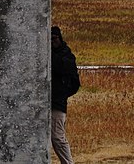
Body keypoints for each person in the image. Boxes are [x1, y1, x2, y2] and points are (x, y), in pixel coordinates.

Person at [51, 26, 79, 164]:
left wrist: (61, 95)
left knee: (57, 138)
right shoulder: (62, 55)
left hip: (57, 103)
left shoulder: (66, 56)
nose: (52, 42)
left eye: (54, 39)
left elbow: (74, 83)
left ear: (60, 39)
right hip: (52, 101)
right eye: (50, 39)